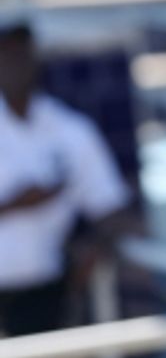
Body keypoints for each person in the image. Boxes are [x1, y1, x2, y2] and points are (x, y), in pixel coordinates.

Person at [0, 23, 134, 338]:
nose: (11, 63)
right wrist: (15, 204)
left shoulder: (70, 130)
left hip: (45, 295)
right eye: (3, 53)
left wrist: (94, 246)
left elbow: (110, 206)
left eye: (20, 53)